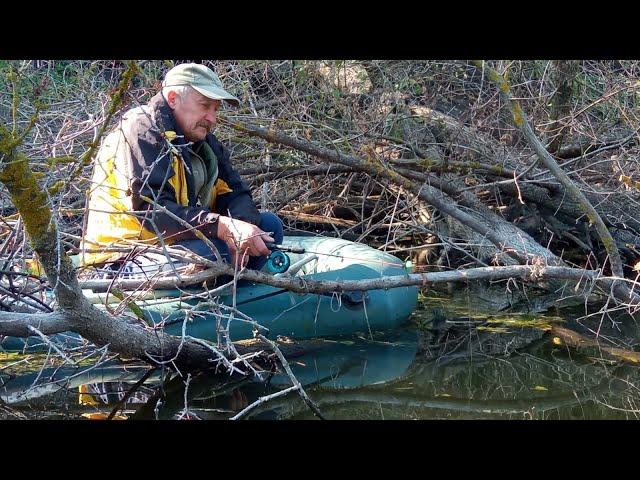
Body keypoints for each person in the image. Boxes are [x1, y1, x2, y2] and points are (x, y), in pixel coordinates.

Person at [81, 63, 283, 272]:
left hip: (175, 245)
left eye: (216, 109)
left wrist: (241, 228)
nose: (212, 118)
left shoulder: (202, 141)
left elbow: (235, 192)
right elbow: (150, 212)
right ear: (172, 99)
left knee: (268, 228)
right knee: (214, 253)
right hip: (124, 256)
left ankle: (233, 287)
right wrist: (221, 227)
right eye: (205, 106)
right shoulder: (142, 132)